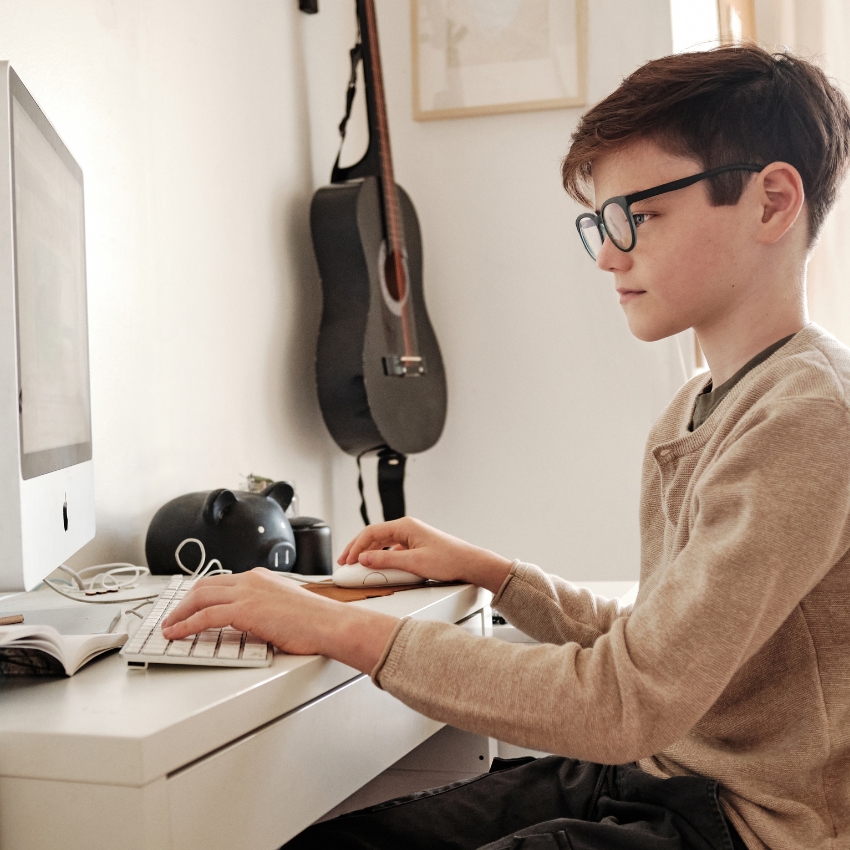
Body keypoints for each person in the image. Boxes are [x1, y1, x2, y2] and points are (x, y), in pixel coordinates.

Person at [162, 44, 850, 850]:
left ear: (771, 202)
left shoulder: (808, 418)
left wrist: (332, 626)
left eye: (639, 215)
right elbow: (654, 647)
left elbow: (623, 700)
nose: (606, 253)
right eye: (600, 221)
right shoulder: (697, 406)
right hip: (659, 779)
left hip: (747, 827)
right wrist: (494, 573)